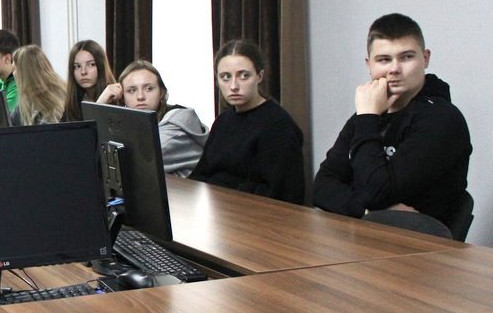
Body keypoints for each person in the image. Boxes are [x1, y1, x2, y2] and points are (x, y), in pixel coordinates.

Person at [312, 13, 471, 225]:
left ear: (425, 59)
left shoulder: (442, 119)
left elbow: (376, 193)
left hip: (419, 241)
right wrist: (366, 211)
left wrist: (368, 118)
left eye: (406, 57)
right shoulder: (368, 113)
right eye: (384, 60)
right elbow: (322, 186)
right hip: (364, 234)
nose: (394, 69)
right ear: (369, 64)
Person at [190, 40, 305, 203]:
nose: (233, 86)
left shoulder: (278, 125)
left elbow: (281, 193)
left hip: (253, 212)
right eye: (225, 77)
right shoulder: (222, 122)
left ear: (260, 76)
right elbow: (200, 175)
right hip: (216, 207)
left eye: (244, 76)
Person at [118, 60, 208, 177]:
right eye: (131, 90)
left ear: (161, 92)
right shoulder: (131, 124)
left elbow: (134, 163)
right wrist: (102, 101)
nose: (140, 96)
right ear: (122, 97)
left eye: (149, 88)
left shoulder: (177, 123)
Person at [63, 39, 119, 121]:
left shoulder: (114, 97)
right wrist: (100, 103)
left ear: (101, 66)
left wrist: (100, 103)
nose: (83, 72)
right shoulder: (73, 103)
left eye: (91, 65)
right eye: (77, 66)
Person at [9, 45, 66, 125]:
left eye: (15, 69)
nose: (13, 74)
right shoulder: (26, 102)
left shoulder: (49, 104)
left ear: (25, 73)